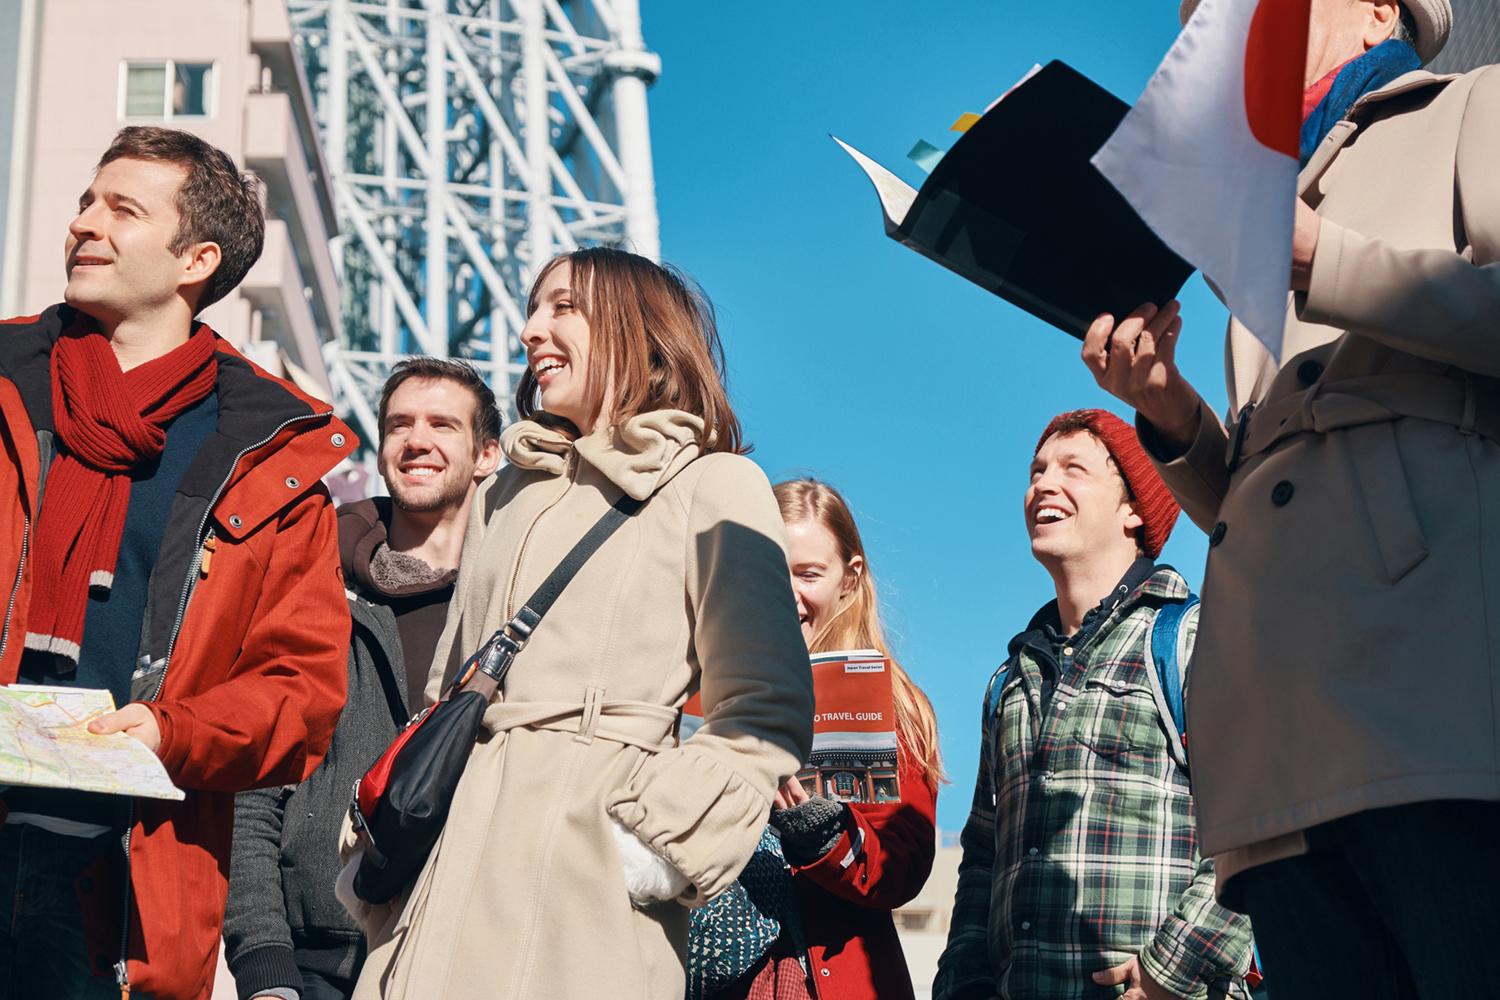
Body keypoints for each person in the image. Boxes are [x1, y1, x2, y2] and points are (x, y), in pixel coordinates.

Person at [1082, 0, 1500, 993]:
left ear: (1373, 11)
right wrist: (1171, 411)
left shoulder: (1475, 108)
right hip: (1281, 754)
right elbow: (1271, 490)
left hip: (1441, 718)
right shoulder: (1260, 202)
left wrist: (1319, 257)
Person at [340, 246, 814, 1000]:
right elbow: (448, 691)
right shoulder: (504, 498)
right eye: (532, 309)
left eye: (563, 307)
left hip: (585, 874)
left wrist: (650, 849)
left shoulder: (714, 485)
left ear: (635, 325)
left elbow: (766, 705)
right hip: (452, 860)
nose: (531, 329)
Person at [0, 126, 353, 999]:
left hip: (120, 880)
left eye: (124, 209)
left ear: (197, 259)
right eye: (88, 200)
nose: (87, 223)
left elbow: (301, 689)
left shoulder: (267, 452)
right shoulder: (6, 375)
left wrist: (172, 732)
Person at [933, 410, 1254, 1000]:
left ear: (1134, 510)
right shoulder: (1010, 680)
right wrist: (962, 981)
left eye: (1072, 468)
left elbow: (1261, 819)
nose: (1042, 484)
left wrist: (1170, 972)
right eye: (1037, 470)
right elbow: (982, 855)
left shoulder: (1193, 640)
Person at [224, 358, 501, 1000]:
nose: (417, 441)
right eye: (399, 424)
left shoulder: (511, 608)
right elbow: (255, 784)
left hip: (466, 956)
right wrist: (264, 965)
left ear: (488, 455)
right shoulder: (312, 584)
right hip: (316, 960)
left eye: (442, 424)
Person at [694, 478, 942, 1000]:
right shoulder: (691, 685)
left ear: (849, 580)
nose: (788, 594)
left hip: (822, 974)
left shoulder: (894, 706)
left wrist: (824, 834)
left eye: (809, 574)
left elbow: (903, 868)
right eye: (771, 570)